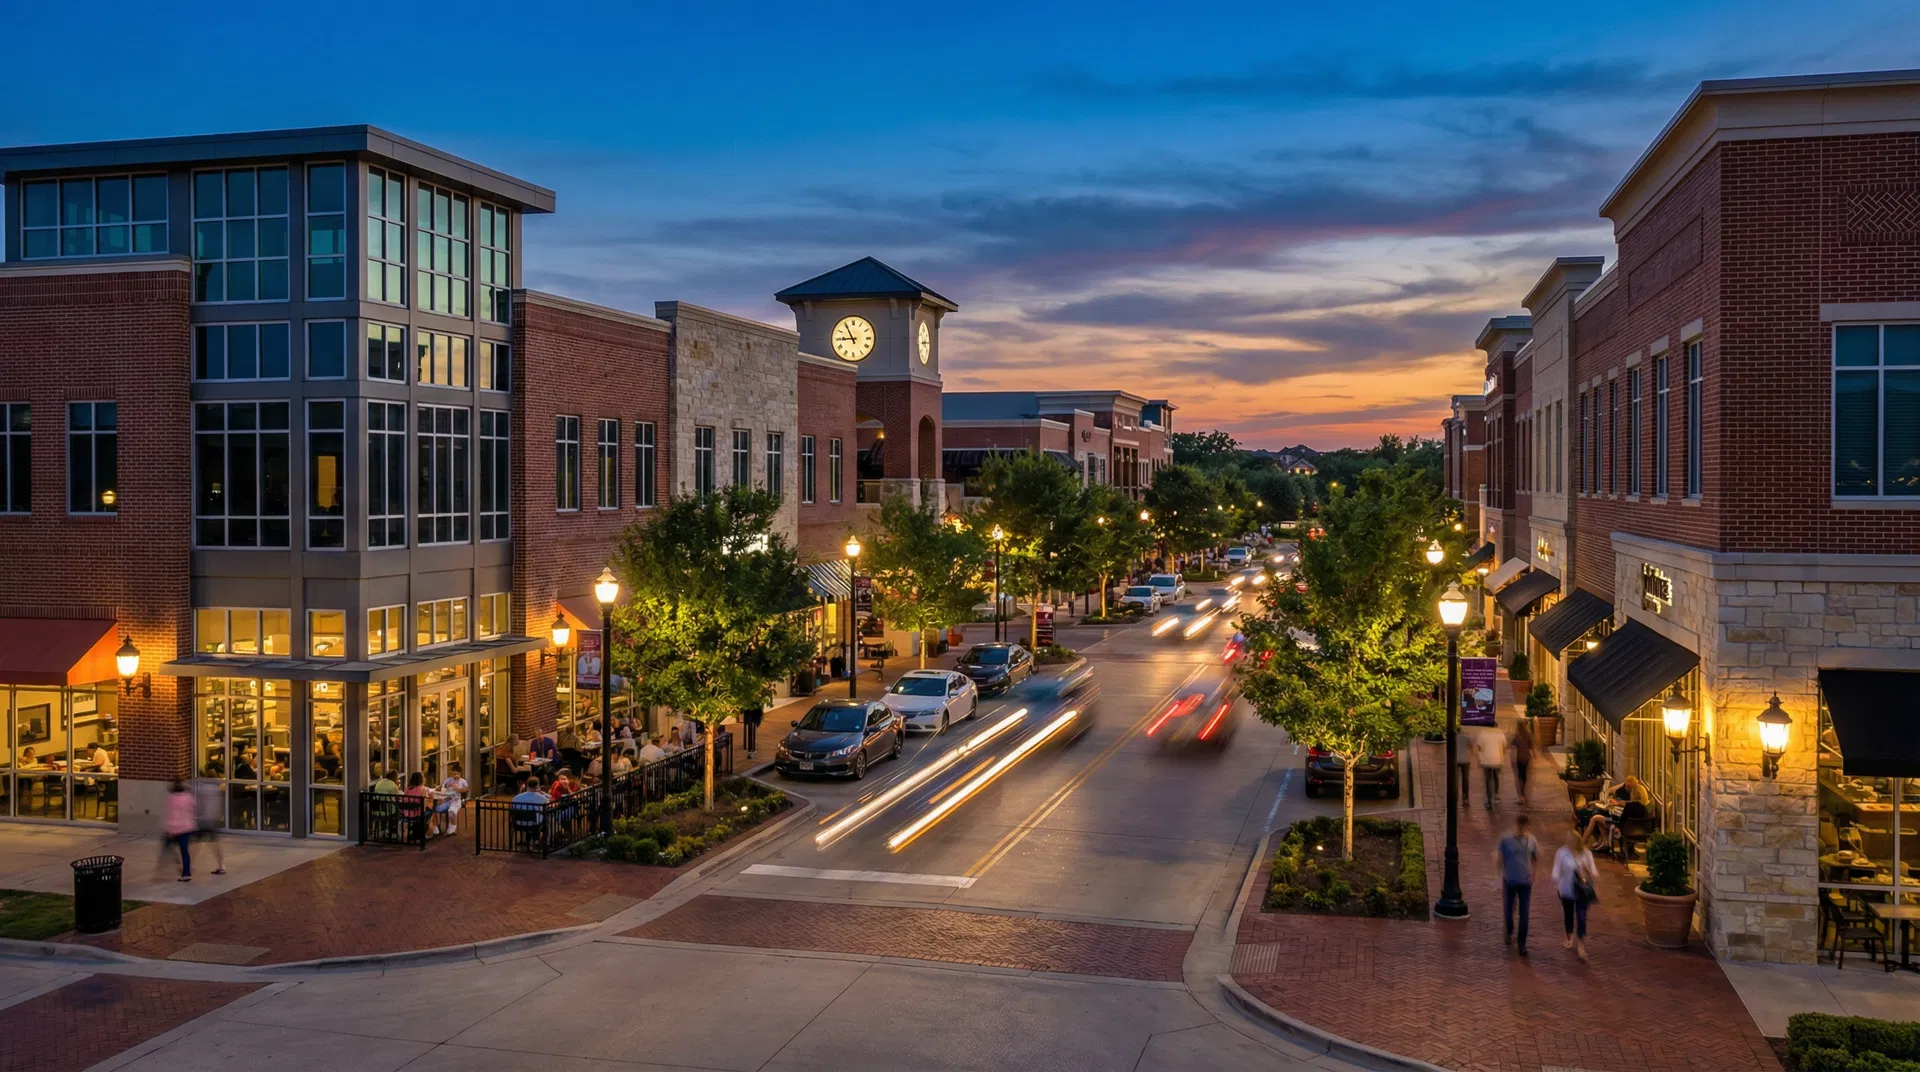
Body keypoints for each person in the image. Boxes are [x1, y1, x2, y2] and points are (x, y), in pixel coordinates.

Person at [1552, 829, 1599, 961]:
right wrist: (1557, 883)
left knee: (1581, 917)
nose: (1568, 842)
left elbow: (1593, 872)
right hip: (1566, 890)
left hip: (1582, 891)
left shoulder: (1586, 853)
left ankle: (1581, 945)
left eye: (1570, 839)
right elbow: (1556, 872)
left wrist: (1587, 872)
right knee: (1568, 915)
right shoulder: (1561, 853)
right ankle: (1569, 936)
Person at [1494, 814, 1538, 955]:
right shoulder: (1505, 839)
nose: (1524, 829)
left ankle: (1521, 944)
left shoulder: (1531, 840)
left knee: (1524, 913)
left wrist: (1534, 874)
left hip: (1525, 882)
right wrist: (1498, 873)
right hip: (1510, 880)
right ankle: (1509, 929)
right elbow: (1499, 856)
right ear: (1517, 825)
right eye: (1522, 826)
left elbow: (1535, 858)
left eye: (1526, 827)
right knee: (1508, 909)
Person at [191, 770, 228, 875]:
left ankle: (188, 865)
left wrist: (196, 817)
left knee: (195, 843)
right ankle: (221, 865)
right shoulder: (216, 789)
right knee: (214, 843)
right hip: (213, 820)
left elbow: (200, 805)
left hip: (204, 820)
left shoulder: (203, 789)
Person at [161, 780, 195, 882]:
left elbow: (170, 814)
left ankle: (164, 867)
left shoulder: (171, 798)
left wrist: (168, 829)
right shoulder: (188, 797)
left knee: (168, 848)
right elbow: (193, 808)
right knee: (184, 851)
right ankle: (186, 873)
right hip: (186, 827)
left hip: (174, 828)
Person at [1476, 723, 1508, 810]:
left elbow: (1479, 747)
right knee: (1496, 777)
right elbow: (1504, 747)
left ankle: (1490, 801)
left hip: (1486, 760)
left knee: (1488, 779)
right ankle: (1495, 794)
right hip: (1498, 759)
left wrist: (1480, 757)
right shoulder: (1500, 734)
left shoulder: (1483, 734)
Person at [435, 762, 468, 837]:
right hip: (447, 801)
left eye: (456, 774)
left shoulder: (463, 781)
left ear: (459, 773)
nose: (454, 776)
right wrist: (439, 788)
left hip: (456, 800)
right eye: (453, 774)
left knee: (452, 811)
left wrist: (457, 789)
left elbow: (466, 789)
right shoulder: (448, 780)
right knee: (435, 809)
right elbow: (442, 787)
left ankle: (451, 829)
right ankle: (436, 828)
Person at [1510, 721, 1535, 801]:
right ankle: (1524, 791)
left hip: (1519, 758)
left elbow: (1511, 745)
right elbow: (1532, 747)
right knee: (1525, 776)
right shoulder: (1528, 735)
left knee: (1520, 776)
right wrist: (1534, 756)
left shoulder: (1517, 736)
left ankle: (1522, 795)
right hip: (1527, 757)